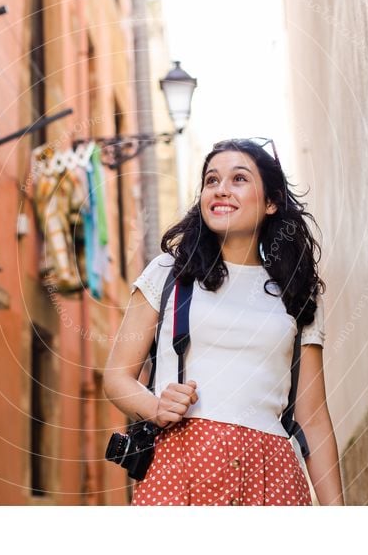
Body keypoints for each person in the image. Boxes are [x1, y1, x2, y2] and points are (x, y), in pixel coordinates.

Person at [103, 138, 344, 506]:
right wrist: (155, 407)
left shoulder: (298, 293)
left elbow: (312, 418)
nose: (221, 189)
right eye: (212, 180)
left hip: (274, 473)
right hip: (179, 465)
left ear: (271, 202)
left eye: (239, 179)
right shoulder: (169, 274)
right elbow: (116, 376)